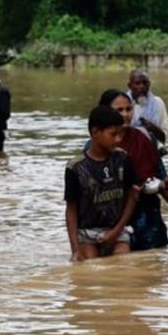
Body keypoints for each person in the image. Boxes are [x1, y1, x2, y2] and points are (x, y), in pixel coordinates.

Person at [99, 89, 168, 250]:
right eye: (119, 110)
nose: (126, 114)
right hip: (114, 223)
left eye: (129, 109)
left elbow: (159, 177)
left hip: (149, 222)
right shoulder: (98, 145)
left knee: (154, 266)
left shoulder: (144, 138)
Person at [65, 105, 140, 261]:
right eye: (113, 134)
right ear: (95, 133)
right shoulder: (76, 167)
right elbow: (71, 209)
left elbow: (132, 196)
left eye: (120, 134)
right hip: (87, 234)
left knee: (122, 266)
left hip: (118, 231)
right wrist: (75, 250)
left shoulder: (123, 159)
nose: (118, 139)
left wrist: (116, 231)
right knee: (92, 269)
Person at [126, 69, 168, 145]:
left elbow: (164, 137)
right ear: (130, 85)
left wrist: (153, 128)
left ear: (149, 84)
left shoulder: (158, 103)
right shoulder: (123, 103)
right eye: (137, 83)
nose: (142, 86)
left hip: (151, 147)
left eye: (145, 83)